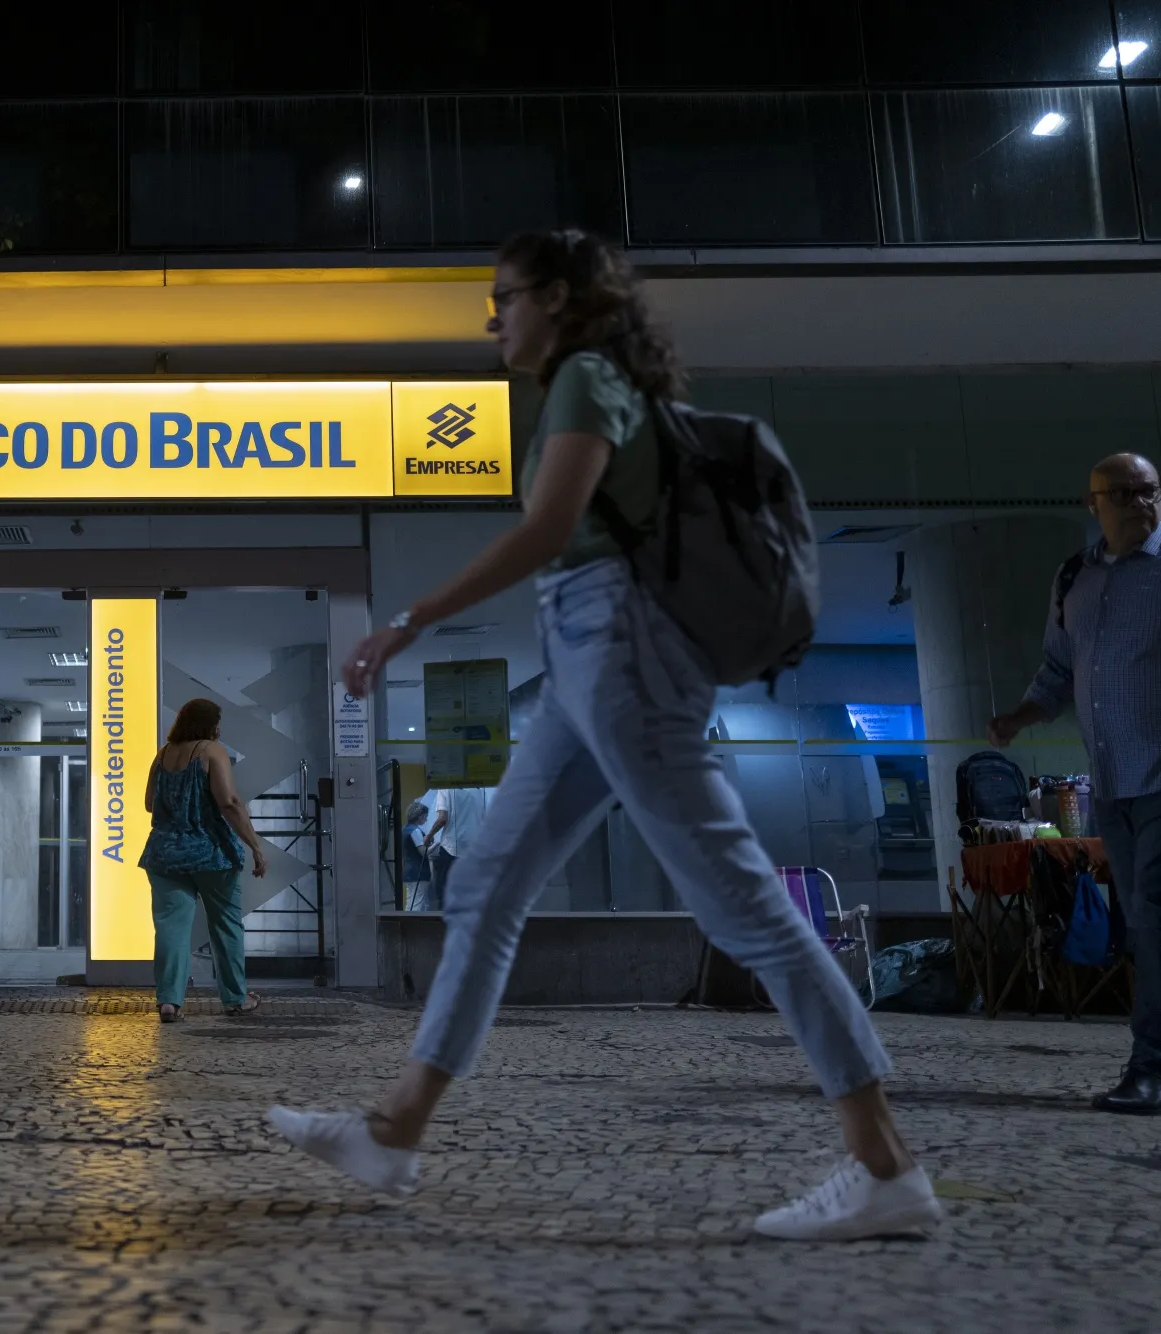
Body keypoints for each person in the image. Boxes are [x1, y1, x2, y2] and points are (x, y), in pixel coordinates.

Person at [267, 229, 938, 1242]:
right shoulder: (589, 381)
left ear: (560, 298)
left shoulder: (584, 375)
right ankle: (393, 1128)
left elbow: (546, 528)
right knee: (483, 886)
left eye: (505, 297)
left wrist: (405, 621)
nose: (490, 317)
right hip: (585, 649)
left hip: (615, 646)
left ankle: (883, 1163)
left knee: (741, 905)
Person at [989, 452, 1161, 1115]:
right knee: (1146, 922)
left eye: (1150, 491)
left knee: (1156, 916)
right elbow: (1058, 671)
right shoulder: (1076, 577)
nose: (1140, 503)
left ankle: (1156, 1069)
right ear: (1092, 503)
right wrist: (1019, 716)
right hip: (1112, 781)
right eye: (1122, 493)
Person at [139, 699, 269, 1022]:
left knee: (171, 929)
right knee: (225, 926)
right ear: (210, 725)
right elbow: (229, 802)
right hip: (212, 855)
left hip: (165, 855)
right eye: (217, 723)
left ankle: (169, 1002)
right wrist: (255, 845)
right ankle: (235, 999)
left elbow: (148, 803)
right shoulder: (212, 751)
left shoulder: (162, 754)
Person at [426, 785, 490, 909]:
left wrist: (429, 836)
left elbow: (442, 819)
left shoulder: (445, 788)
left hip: (451, 849)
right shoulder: (480, 790)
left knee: (444, 893)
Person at [400, 800, 436, 911]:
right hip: (419, 872)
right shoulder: (415, 831)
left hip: (409, 871)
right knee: (418, 904)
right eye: (425, 816)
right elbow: (423, 852)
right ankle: (412, 926)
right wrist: (437, 844)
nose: (426, 819)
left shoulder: (404, 829)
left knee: (412, 902)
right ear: (420, 816)